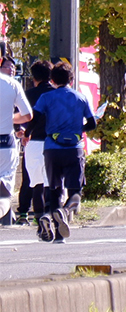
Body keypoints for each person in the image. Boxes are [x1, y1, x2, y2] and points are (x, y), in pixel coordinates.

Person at [31, 62, 95, 243]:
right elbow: (92, 124)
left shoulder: (46, 97)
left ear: (52, 80)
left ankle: (52, 223)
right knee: (75, 190)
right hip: (74, 149)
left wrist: (26, 133)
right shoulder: (81, 98)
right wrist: (78, 130)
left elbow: (35, 119)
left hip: (52, 148)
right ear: (71, 80)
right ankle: (64, 212)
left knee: (54, 189)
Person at [15, 61, 53, 226]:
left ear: (33, 77)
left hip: (32, 141)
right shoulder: (56, 94)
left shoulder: (28, 94)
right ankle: (47, 212)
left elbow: (18, 115)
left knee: (30, 179)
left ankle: (24, 212)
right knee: (50, 180)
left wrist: (21, 130)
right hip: (53, 142)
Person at [0, 56, 33, 219]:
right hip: (5, 141)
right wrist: (9, 118)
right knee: (4, 189)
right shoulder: (11, 84)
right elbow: (27, 115)